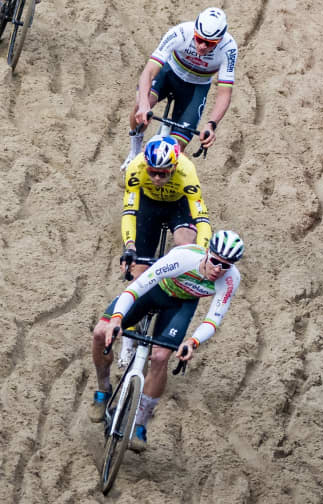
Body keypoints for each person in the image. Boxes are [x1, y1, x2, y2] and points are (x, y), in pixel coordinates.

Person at [88, 231, 245, 451]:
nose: (218, 269)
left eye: (226, 266)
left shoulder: (230, 279)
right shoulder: (183, 258)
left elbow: (213, 320)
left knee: (160, 357)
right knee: (99, 332)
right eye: (215, 261)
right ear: (207, 253)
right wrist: (116, 319)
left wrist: (192, 342)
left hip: (181, 305)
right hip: (153, 291)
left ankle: (140, 424)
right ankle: (103, 390)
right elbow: (135, 289)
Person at [123, 7, 237, 165]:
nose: (202, 46)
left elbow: (224, 93)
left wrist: (211, 124)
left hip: (196, 87)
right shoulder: (181, 32)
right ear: (195, 31)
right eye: (199, 39)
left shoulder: (228, 49)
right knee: (141, 105)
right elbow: (149, 71)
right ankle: (135, 151)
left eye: (210, 43)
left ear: (220, 40)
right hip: (169, 73)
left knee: (177, 148)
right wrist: (143, 104)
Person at [120, 134, 212, 274]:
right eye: (152, 172)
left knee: (185, 244)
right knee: (137, 271)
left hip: (178, 204)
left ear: (174, 167)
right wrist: (130, 246)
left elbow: (202, 219)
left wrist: (203, 252)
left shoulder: (186, 172)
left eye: (163, 174)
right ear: (146, 165)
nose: (157, 178)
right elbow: (129, 212)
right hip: (148, 203)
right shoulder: (136, 168)